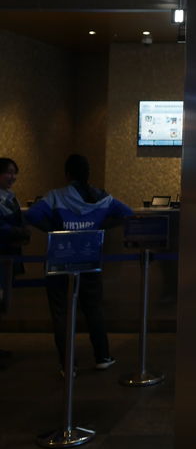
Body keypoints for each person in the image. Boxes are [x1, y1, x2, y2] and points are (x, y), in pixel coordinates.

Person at [26, 154, 133, 371]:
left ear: (67, 174)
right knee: (94, 309)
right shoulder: (102, 197)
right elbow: (128, 214)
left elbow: (32, 215)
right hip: (89, 259)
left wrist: (56, 232)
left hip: (59, 261)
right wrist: (101, 227)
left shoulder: (55, 196)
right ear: (88, 174)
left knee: (61, 313)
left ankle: (68, 364)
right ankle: (102, 357)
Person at [0, 157, 30, 365]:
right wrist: (19, 232)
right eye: (8, 172)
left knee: (2, 303)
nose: (13, 177)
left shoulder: (10, 197)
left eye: (14, 172)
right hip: (1, 254)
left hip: (8, 256)